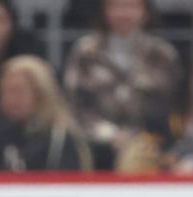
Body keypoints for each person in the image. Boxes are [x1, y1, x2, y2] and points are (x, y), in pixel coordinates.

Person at [63, 0, 182, 170]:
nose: (124, 14)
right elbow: (74, 106)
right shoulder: (85, 52)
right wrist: (109, 134)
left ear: (145, 12)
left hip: (152, 147)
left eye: (132, 6)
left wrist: (143, 140)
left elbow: (173, 107)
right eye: (117, 6)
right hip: (96, 149)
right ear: (104, 11)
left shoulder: (163, 54)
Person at [0, 54, 92, 171]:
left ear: (41, 94)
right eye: (3, 92)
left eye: (17, 91)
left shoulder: (59, 141)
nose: (9, 100)